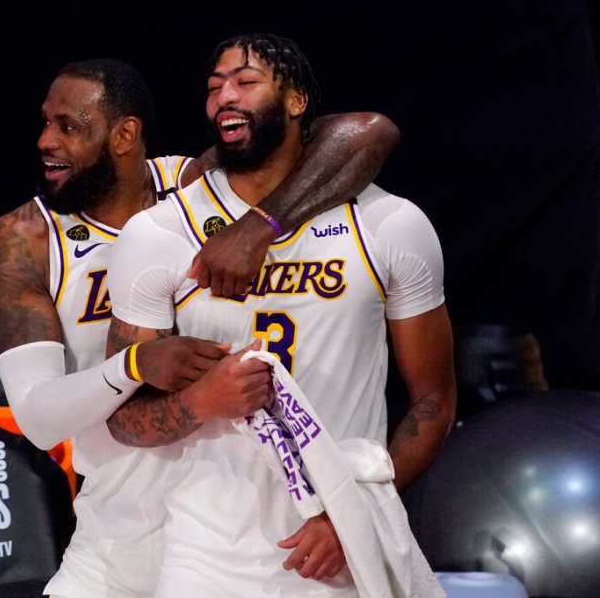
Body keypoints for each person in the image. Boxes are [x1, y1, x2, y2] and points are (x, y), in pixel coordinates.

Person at [0, 57, 398, 597]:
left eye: (68, 127)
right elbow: (37, 420)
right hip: (119, 522)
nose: (45, 141)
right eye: (45, 123)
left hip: (231, 518)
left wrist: (259, 225)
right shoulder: (26, 238)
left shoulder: (192, 187)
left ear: (124, 135)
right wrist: (134, 364)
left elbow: (370, 132)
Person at [105, 33, 456, 596]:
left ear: (295, 101)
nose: (224, 97)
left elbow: (434, 401)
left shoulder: (391, 223)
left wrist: (353, 512)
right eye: (214, 87)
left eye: (245, 82)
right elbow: (122, 417)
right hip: (205, 553)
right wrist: (201, 399)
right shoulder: (158, 233)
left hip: (339, 545)